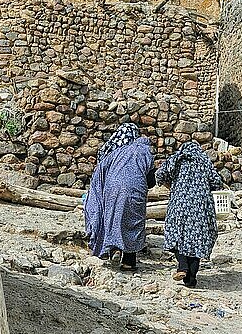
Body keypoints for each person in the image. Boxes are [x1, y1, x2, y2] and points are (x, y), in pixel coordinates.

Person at [84, 122, 155, 271]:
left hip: (111, 189)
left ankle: (114, 249)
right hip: (135, 190)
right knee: (134, 223)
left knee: (114, 219)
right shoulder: (145, 151)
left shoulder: (115, 151)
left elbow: (101, 171)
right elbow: (151, 180)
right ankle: (128, 262)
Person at [155, 140, 222, 288]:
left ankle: (182, 266)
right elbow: (217, 182)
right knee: (197, 239)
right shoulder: (204, 161)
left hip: (180, 203)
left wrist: (171, 185)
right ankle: (191, 280)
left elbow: (159, 174)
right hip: (201, 206)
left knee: (177, 235)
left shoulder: (177, 158)